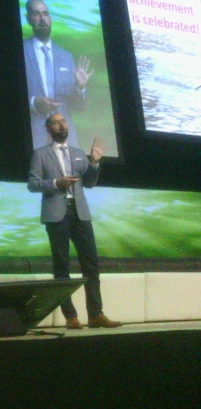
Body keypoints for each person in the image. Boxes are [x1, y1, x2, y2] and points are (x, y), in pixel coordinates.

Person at [28, 113, 122, 330]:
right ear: (48, 129)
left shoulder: (79, 154)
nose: (62, 125)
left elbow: (88, 183)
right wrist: (55, 182)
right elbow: (33, 184)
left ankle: (96, 314)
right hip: (56, 214)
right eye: (56, 122)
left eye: (64, 121)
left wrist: (95, 162)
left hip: (80, 213)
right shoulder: (41, 154)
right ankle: (70, 316)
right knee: (62, 266)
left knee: (91, 264)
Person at [23, 0, 93, 149]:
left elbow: (79, 107)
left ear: (50, 19)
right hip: (33, 139)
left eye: (45, 14)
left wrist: (80, 88)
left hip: (65, 141)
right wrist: (34, 103)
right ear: (28, 19)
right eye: (36, 14)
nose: (42, 19)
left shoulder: (66, 56)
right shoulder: (20, 51)